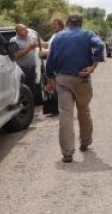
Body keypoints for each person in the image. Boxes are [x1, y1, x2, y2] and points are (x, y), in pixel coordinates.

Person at [45, 13, 105, 164]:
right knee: (83, 110)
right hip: (82, 78)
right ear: (81, 23)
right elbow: (100, 45)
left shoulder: (58, 37)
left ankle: (67, 153)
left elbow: (51, 59)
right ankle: (84, 142)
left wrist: (49, 77)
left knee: (65, 114)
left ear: (66, 22)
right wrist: (93, 65)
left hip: (63, 79)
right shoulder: (87, 34)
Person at [11, 24, 43, 107]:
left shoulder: (32, 37)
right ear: (17, 31)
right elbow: (16, 55)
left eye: (26, 29)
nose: (26, 31)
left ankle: (38, 105)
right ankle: (28, 107)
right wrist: (29, 48)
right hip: (23, 69)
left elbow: (42, 46)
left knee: (37, 88)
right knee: (27, 89)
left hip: (35, 67)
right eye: (23, 30)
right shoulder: (14, 41)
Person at [39, 16, 65, 116]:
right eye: (52, 24)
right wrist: (38, 44)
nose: (53, 26)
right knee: (53, 87)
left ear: (61, 25)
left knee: (56, 87)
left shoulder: (61, 35)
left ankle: (59, 109)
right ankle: (56, 108)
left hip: (56, 66)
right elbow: (48, 45)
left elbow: (57, 51)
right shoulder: (55, 35)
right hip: (51, 65)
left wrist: (45, 52)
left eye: (55, 24)